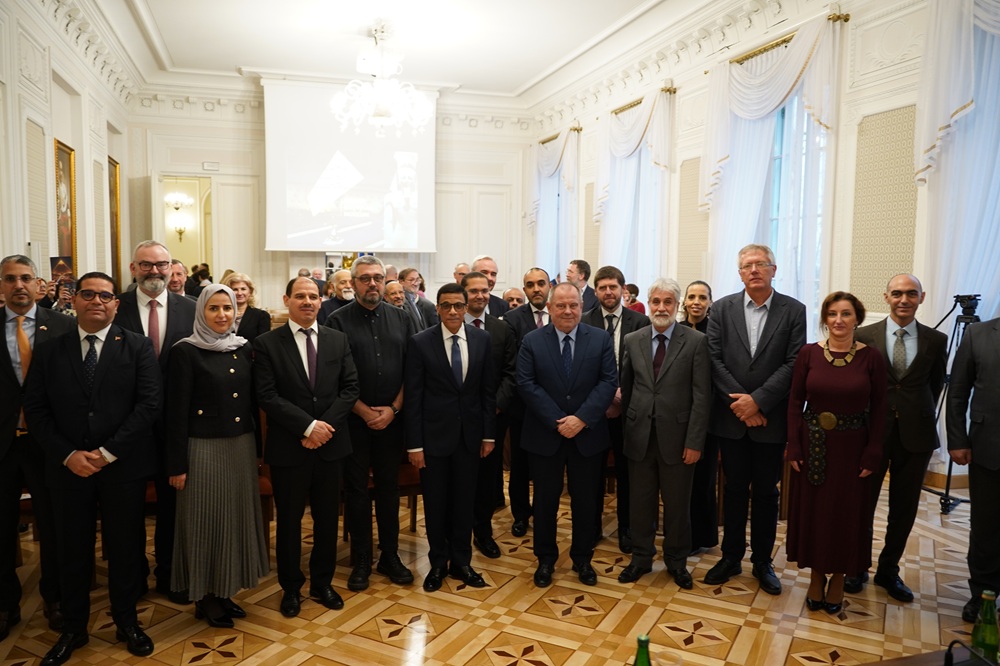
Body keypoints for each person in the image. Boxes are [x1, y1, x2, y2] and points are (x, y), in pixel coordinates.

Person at [24, 272, 159, 664]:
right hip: (68, 469)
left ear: (117, 303)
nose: (97, 301)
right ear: (75, 301)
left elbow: (148, 405)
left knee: (124, 549)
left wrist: (106, 453)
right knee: (71, 550)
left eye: (105, 295)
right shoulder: (50, 349)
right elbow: (36, 408)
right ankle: (74, 628)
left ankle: (127, 622)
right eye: (88, 294)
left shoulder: (137, 347)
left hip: (122, 468)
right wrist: (69, 455)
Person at [703, 244, 806, 596]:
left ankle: (763, 561)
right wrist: (742, 405)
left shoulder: (794, 310)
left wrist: (758, 402)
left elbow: (794, 362)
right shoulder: (721, 308)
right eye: (747, 265)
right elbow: (714, 359)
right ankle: (730, 556)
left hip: (770, 419)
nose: (754, 270)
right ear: (740, 272)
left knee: (766, 492)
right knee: (731, 490)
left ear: (774, 270)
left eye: (761, 264)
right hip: (732, 418)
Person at [254, 277, 359, 617]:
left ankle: (322, 583)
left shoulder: (338, 340)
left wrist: (324, 428)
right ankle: (291, 588)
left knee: (327, 519)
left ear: (321, 300)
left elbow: (350, 388)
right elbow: (267, 395)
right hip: (290, 448)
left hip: (330, 446)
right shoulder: (267, 343)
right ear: (286, 300)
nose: (307, 302)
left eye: (313, 296)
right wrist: (307, 426)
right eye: (300, 296)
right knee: (289, 522)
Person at [165, 284, 269, 628]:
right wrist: (177, 464)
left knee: (233, 521)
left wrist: (258, 452)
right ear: (201, 313)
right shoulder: (186, 351)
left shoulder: (242, 347)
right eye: (214, 309)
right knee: (204, 522)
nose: (223, 315)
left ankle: (224, 592)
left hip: (240, 445)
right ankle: (205, 597)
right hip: (202, 448)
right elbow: (175, 413)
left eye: (228, 308)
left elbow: (251, 403)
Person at [847, 274, 948, 601]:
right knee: (862, 504)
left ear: (921, 297)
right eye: (897, 293)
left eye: (911, 294)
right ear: (886, 296)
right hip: (871, 434)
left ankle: (889, 571)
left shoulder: (936, 340)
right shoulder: (863, 336)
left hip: (915, 436)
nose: (904, 299)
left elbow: (934, 387)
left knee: (903, 509)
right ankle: (856, 567)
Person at [786, 292, 885, 613]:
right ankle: (816, 576)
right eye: (832, 314)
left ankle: (840, 578)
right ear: (825, 319)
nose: (839, 320)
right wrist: (794, 445)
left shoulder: (872, 358)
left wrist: (873, 452)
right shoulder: (808, 354)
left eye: (845, 314)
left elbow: (881, 410)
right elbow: (793, 403)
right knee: (815, 513)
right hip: (814, 445)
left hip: (853, 448)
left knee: (846, 514)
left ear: (858, 318)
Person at [517, 282, 617, 587]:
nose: (568, 311)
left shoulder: (600, 339)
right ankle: (545, 559)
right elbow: (526, 383)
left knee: (586, 502)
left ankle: (582, 558)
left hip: (587, 436)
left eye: (573, 305)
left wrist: (581, 419)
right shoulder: (532, 341)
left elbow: (607, 382)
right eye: (560, 305)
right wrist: (559, 420)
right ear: (549, 308)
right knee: (545, 502)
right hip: (546, 435)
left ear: (581, 307)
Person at [327, 256, 417, 591]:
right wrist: (365, 412)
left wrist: (393, 409)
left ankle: (390, 555)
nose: (372, 284)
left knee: (389, 489)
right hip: (354, 422)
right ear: (353, 283)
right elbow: (334, 377)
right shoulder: (336, 320)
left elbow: (413, 370)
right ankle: (362, 558)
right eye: (365, 279)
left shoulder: (402, 317)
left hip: (393, 422)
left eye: (378, 278)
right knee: (356, 491)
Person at [114, 240, 196, 603]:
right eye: (146, 265)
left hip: (175, 426)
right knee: (127, 508)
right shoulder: (115, 307)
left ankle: (169, 574)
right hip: (126, 426)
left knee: (172, 507)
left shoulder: (192, 309)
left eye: (161, 265)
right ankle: (131, 580)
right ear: (133, 269)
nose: (155, 272)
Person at [0, 255, 75, 639]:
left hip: (48, 444)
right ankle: (4, 604)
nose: (19, 285)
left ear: (39, 283)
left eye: (26, 278)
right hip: (2, 446)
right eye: (10, 279)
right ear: (1, 286)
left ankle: (56, 598)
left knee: (54, 524)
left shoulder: (63, 326)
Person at [618, 278, 710, 588]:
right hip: (639, 437)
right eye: (655, 301)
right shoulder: (633, 339)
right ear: (648, 302)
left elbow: (702, 397)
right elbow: (627, 388)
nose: (660, 308)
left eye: (667, 302)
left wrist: (695, 441)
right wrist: (629, 428)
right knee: (640, 504)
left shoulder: (695, 342)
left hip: (679, 440)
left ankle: (676, 561)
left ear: (677, 305)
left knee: (677, 506)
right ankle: (641, 558)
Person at [405, 283, 497, 591]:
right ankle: (437, 564)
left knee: (464, 502)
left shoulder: (482, 340)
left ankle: (462, 562)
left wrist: (488, 435)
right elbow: (414, 397)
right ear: (438, 309)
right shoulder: (420, 343)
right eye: (447, 306)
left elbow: (487, 392)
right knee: (436, 503)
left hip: (470, 438)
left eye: (459, 305)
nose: (454, 311)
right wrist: (415, 444)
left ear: (467, 305)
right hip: (432, 440)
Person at [583, 265, 649, 553]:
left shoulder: (641, 321)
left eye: (613, 286)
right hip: (595, 412)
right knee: (592, 473)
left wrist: (624, 396)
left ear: (624, 290)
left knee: (628, 474)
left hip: (630, 410)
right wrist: (606, 398)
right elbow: (582, 369)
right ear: (595, 291)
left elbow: (647, 367)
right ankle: (592, 527)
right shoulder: (584, 321)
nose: (608, 292)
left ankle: (626, 528)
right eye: (602, 287)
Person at [946, 315, 1000, 623]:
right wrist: (957, 439)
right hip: (988, 448)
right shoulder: (977, 334)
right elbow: (957, 393)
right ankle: (983, 595)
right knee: (986, 528)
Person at [462, 272, 517, 559]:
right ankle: (456, 533)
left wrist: (494, 408)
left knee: (486, 481)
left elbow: (511, 373)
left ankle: (483, 532)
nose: (480, 296)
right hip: (455, 421)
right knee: (459, 480)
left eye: (484, 290)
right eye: (473, 291)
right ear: (463, 294)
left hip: (492, 419)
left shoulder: (501, 329)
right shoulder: (447, 325)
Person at [501, 267, 552, 537]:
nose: (536, 289)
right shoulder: (512, 319)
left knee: (547, 467)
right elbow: (512, 364)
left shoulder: (562, 312)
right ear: (524, 289)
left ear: (549, 286)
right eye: (530, 285)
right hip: (522, 408)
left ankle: (545, 513)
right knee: (520, 467)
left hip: (556, 408)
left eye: (540, 283)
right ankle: (521, 515)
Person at [679, 279, 717, 552]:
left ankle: (700, 537)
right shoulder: (675, 330)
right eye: (691, 296)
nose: (696, 302)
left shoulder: (717, 332)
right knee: (680, 481)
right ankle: (680, 533)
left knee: (703, 480)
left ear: (709, 303)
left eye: (702, 297)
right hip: (678, 415)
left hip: (707, 416)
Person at [220, 272, 271, 343]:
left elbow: (263, 344)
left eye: (243, 289)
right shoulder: (221, 315)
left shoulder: (261, 316)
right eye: (235, 289)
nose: (239, 293)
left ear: (250, 291)